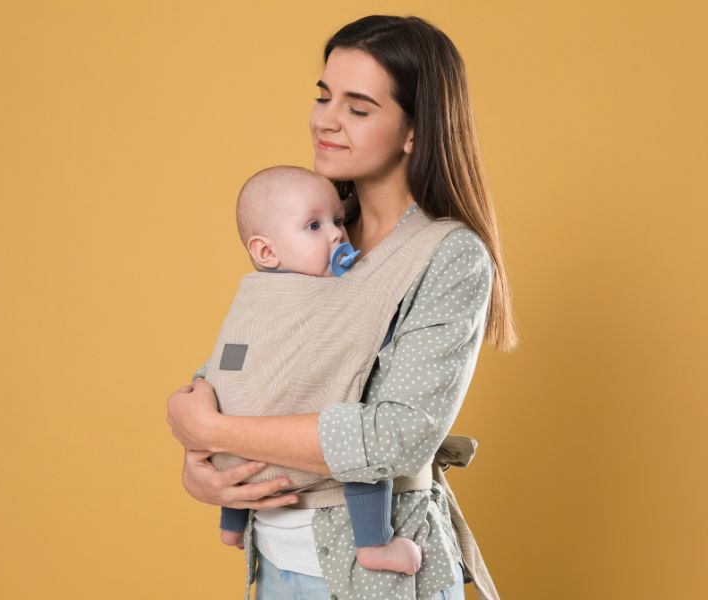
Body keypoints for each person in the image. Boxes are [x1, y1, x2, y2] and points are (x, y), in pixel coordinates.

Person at [166, 14, 518, 600]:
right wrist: (203, 460)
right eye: (323, 96)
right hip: (274, 564)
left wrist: (218, 428)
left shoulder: (448, 256)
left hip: (374, 580)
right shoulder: (314, 231)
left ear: (415, 131)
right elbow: (253, 362)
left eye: (358, 107)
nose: (325, 120)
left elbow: (397, 437)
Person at [212, 164, 423, 576]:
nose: (335, 235)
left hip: (230, 459)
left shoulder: (254, 296)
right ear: (266, 251)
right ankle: (374, 543)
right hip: (285, 456)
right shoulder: (328, 297)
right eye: (313, 225)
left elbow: (225, 364)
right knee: (359, 447)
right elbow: (368, 333)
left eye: (339, 221)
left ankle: (230, 525)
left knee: (240, 403)